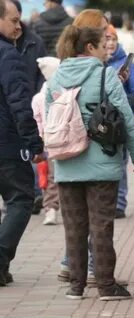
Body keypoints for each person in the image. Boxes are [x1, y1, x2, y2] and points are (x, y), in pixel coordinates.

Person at [48, 25, 134, 300]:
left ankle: (76, 287)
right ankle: (105, 285)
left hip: (66, 165)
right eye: (104, 45)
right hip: (102, 163)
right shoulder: (106, 76)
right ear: (90, 48)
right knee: (101, 226)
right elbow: (126, 119)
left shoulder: (56, 78)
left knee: (74, 228)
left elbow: (46, 120)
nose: (107, 50)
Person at [0, 0, 44, 286]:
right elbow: (20, 104)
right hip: (7, 144)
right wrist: (34, 143)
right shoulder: (8, 56)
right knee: (22, 198)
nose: (19, 26)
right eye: (14, 20)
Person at [105, 24, 134, 219]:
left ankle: (120, 203)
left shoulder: (126, 64)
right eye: (107, 39)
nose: (111, 43)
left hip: (124, 119)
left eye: (113, 39)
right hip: (104, 120)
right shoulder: (98, 63)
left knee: (121, 164)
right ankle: (109, 202)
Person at [31, 56, 61, 225]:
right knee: (54, 176)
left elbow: (37, 121)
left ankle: (50, 207)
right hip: (60, 141)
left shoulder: (38, 97)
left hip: (47, 141)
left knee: (49, 176)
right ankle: (52, 207)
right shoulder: (62, 93)